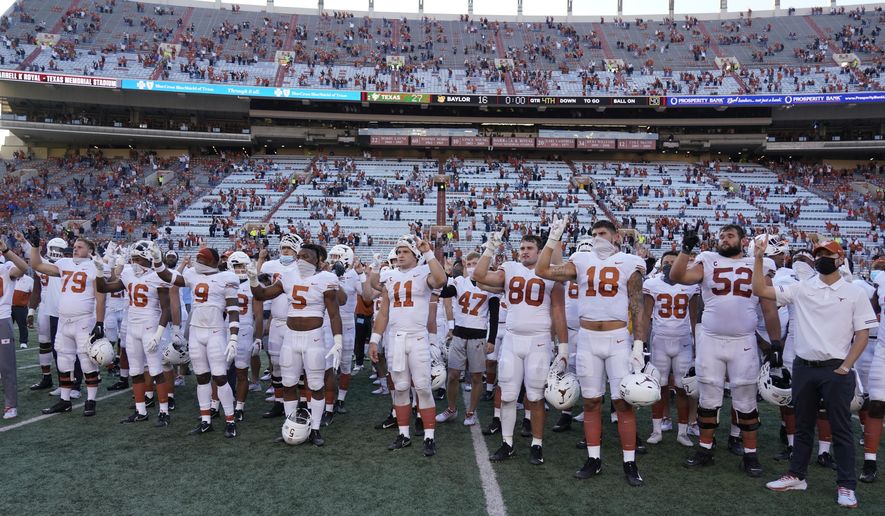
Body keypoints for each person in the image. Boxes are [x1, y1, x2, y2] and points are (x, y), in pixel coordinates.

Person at [755, 239, 878, 509]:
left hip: (836, 368)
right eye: (818, 253)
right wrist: (758, 259)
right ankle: (797, 475)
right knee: (802, 425)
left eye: (826, 253)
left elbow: (863, 333)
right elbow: (759, 289)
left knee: (842, 429)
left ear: (840, 256)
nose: (821, 257)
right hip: (804, 366)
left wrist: (847, 365)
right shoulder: (802, 287)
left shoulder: (854, 292)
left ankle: (846, 485)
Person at [536, 219, 647, 485]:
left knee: (622, 402)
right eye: (594, 234)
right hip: (587, 338)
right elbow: (542, 270)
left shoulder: (630, 262)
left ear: (616, 236)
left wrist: (639, 344)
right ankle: (593, 459)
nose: (598, 238)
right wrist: (553, 239)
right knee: (591, 402)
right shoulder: (582, 260)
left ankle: (629, 463)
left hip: (618, 337)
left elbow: (638, 306)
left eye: (603, 233)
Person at [669, 224, 783, 478]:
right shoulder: (707, 260)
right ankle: (705, 450)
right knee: (708, 397)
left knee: (746, 399)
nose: (723, 239)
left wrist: (775, 343)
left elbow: (768, 308)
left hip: (743, 340)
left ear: (742, 240)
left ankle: (750, 454)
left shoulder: (758, 264)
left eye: (730, 235)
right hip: (710, 339)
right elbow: (677, 277)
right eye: (721, 235)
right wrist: (686, 250)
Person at [475, 232, 567, 466]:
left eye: (530, 248)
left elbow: (558, 311)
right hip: (513, 341)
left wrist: (563, 347)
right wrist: (490, 249)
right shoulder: (510, 268)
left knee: (535, 397)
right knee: (507, 395)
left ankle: (537, 444)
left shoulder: (550, 273)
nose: (524, 251)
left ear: (539, 251)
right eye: (522, 247)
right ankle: (507, 443)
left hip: (539, 341)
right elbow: (479, 275)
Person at [251, 242, 343, 447]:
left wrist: (338, 341)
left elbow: (335, 313)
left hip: (314, 338)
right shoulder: (289, 276)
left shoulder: (326, 278)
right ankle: (290, 424)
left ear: (319, 260)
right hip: (290, 337)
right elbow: (262, 295)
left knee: (316, 385)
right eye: (299, 256)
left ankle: (315, 429)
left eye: (307, 256)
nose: (301, 259)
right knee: (288, 383)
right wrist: (252, 278)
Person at [368, 235, 447, 456]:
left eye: (405, 252)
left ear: (415, 255)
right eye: (398, 251)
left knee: (422, 387)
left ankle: (429, 437)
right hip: (396, 339)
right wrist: (375, 339)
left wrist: (428, 252)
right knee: (400, 388)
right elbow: (383, 311)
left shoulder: (424, 271)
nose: (400, 255)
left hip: (418, 337)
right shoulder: (390, 276)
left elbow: (440, 280)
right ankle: (403, 434)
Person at [156, 245, 241, 438]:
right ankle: (205, 420)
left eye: (203, 259)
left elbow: (234, 310)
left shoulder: (226, 278)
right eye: (198, 259)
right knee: (201, 377)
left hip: (216, 332)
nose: (199, 262)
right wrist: (156, 261)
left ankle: (230, 420)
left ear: (214, 261)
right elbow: (168, 277)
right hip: (196, 331)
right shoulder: (193, 274)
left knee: (220, 377)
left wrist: (233, 337)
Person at [95, 241, 173, 427]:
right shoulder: (128, 273)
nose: (134, 262)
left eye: (138, 259)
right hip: (132, 328)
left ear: (147, 258)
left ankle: (164, 412)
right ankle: (141, 411)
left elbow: (166, 309)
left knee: (156, 371)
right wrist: (99, 272)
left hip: (150, 327)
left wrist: (159, 333)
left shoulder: (158, 276)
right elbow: (104, 288)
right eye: (133, 259)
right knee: (135, 371)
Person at [29, 234, 107, 417]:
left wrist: (100, 322)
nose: (76, 248)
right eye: (75, 245)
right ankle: (65, 400)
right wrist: (34, 247)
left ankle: (91, 400)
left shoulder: (95, 266)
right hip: (64, 319)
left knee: (87, 361)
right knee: (63, 360)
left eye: (80, 246)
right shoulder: (64, 263)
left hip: (84, 320)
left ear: (90, 251)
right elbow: (37, 265)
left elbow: (100, 297)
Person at [639, 250, 699, 447]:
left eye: (673, 262)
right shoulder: (652, 284)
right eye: (666, 262)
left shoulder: (691, 285)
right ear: (660, 263)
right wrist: (641, 341)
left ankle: (683, 432)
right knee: (659, 386)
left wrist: (698, 342)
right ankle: (657, 429)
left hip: (683, 341)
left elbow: (694, 317)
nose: (669, 265)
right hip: (660, 341)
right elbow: (646, 314)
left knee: (683, 388)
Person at [437, 252, 501, 427]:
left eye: (476, 263)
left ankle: (471, 411)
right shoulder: (460, 282)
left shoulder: (490, 287)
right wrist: (448, 274)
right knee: (453, 375)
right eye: (470, 263)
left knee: (476, 377)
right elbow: (443, 293)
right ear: (465, 265)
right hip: (459, 334)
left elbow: (494, 316)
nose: (473, 266)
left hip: (478, 336)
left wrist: (492, 340)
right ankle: (451, 408)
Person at [0, 238, 30, 419]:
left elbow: (24, 268)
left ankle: (10, 404)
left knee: (6, 366)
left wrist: (6, 250)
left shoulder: (6, 266)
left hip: (2, 318)